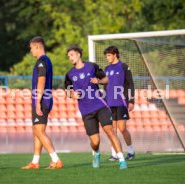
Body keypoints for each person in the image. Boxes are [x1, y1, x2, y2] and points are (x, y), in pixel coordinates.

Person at [65, 45, 127, 170]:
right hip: (86, 110)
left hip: (100, 105)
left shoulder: (92, 66)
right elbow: (67, 91)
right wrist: (72, 94)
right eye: (68, 57)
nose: (70, 58)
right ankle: (96, 154)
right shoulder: (70, 74)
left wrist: (98, 81)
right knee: (95, 141)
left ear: (78, 54)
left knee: (110, 131)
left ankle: (122, 160)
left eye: (71, 55)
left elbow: (106, 79)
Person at [22, 36, 63, 169]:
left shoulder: (42, 61)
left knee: (39, 131)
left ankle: (56, 160)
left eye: (31, 48)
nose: (31, 51)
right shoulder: (46, 61)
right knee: (36, 130)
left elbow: (41, 81)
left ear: (37, 46)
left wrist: (38, 102)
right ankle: (35, 162)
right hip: (42, 99)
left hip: (42, 100)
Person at [103, 46, 135, 161]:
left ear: (115, 54)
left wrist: (131, 100)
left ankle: (131, 150)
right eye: (106, 56)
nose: (107, 58)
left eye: (109, 55)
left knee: (122, 128)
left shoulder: (123, 67)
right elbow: (105, 86)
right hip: (109, 103)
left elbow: (130, 84)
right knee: (112, 130)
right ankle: (115, 153)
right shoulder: (106, 69)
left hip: (121, 102)